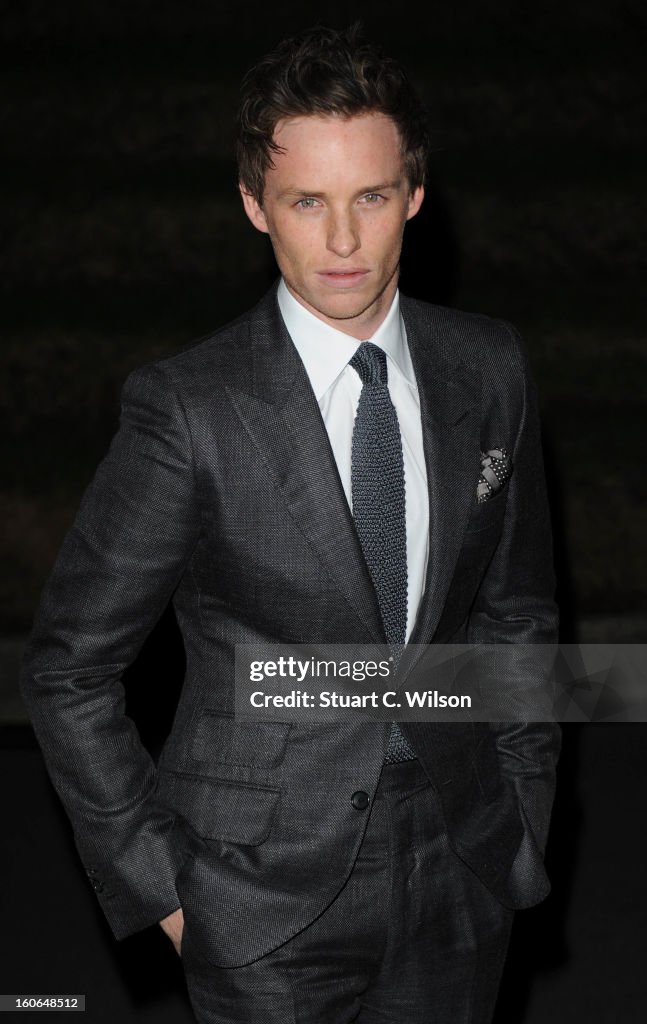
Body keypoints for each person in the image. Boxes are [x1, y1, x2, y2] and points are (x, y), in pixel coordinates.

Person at [20, 24, 560, 1024]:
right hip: (259, 896)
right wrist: (170, 892)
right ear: (253, 208)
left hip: (460, 864)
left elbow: (516, 613)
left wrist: (521, 809)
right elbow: (69, 668)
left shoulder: (489, 368)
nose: (343, 240)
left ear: (414, 196)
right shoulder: (188, 408)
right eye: (306, 202)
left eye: (369, 196)